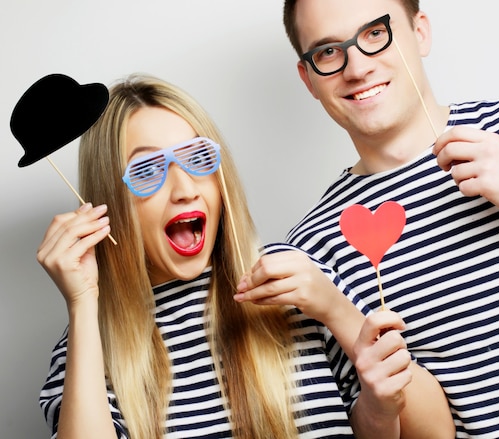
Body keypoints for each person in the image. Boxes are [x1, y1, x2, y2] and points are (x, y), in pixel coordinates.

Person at [273, 0, 499, 437]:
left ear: (420, 32)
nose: (357, 68)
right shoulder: (312, 251)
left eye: (374, 34)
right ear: (308, 78)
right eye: (328, 52)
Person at [36, 74, 452, 439]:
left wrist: (337, 312)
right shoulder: (86, 345)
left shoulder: (294, 280)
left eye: (196, 158)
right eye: (147, 171)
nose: (184, 189)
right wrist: (83, 301)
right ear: (108, 200)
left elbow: (434, 432)